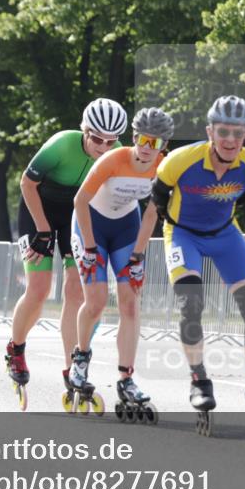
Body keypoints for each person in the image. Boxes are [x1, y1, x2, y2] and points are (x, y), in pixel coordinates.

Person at [150, 95, 245, 430]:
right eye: (223, 131)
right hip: (182, 233)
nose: (230, 139)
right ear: (210, 132)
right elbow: (158, 198)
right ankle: (199, 381)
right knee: (191, 303)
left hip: (225, 233)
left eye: (238, 132)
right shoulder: (179, 161)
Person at [5, 98, 125, 409]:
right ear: (85, 131)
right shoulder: (61, 144)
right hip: (39, 210)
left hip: (75, 215)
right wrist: (43, 231)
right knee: (40, 289)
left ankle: (72, 368)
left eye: (110, 141)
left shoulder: (117, 153)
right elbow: (26, 184)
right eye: (97, 138)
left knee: (76, 292)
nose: (103, 146)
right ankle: (15, 349)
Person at [69, 108, 174, 419]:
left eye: (153, 142)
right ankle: (80, 358)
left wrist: (138, 255)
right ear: (133, 137)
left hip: (127, 227)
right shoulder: (113, 160)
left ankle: (126, 378)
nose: (145, 147)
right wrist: (89, 247)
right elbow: (79, 201)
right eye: (141, 139)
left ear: (162, 146)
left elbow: (153, 213)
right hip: (92, 226)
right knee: (97, 302)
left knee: (130, 304)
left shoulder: (163, 167)